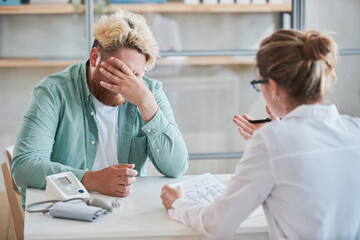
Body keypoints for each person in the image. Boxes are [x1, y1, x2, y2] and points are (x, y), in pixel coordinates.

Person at [160, 29, 360, 240]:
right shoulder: (355, 129)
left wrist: (177, 204)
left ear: (273, 87)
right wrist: (279, 134)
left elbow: (216, 224)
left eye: (258, 84)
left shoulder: (272, 142)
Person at [12, 10, 189, 203]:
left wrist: (147, 106)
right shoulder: (53, 91)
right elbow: (24, 167)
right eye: (120, 71)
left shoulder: (149, 93)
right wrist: (92, 180)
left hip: (127, 211)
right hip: (64, 209)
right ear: (95, 57)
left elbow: (177, 168)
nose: (126, 84)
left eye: (136, 75)